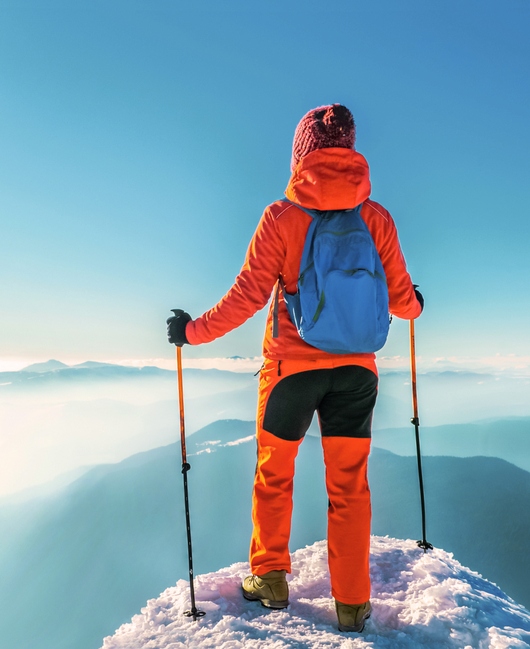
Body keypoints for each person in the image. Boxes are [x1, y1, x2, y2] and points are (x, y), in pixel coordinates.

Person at [166, 104, 422, 633]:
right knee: (349, 485)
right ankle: (352, 605)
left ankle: (271, 578)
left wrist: (191, 332)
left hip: (290, 370)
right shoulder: (376, 219)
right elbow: (402, 301)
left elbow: (245, 299)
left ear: (301, 154)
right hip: (358, 374)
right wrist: (416, 303)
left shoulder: (281, 218)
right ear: (351, 150)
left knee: (274, 475)